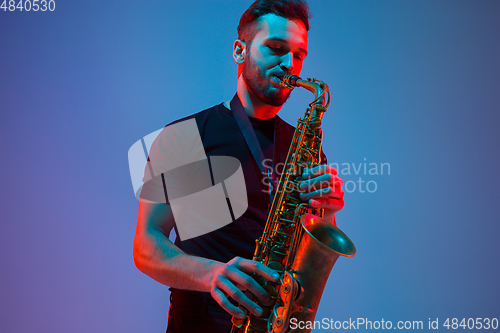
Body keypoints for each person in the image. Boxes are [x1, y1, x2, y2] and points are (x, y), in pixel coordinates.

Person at [133, 1, 345, 332]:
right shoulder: (183, 136)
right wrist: (210, 273)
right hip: (199, 323)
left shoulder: (307, 149)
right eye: (276, 48)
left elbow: (308, 248)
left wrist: (327, 212)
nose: (290, 64)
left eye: (299, 55)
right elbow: (146, 246)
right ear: (239, 51)